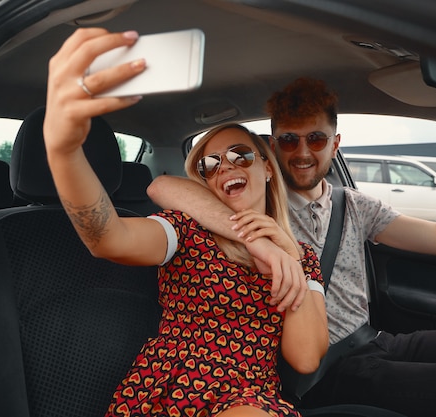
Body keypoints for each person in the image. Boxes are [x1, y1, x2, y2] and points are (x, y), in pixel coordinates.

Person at [148, 77, 436, 417]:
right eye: (289, 140)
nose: (303, 153)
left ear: (335, 144)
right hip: (326, 370)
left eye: (315, 139)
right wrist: (252, 235)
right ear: (273, 148)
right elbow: (165, 186)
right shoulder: (254, 197)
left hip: (376, 339)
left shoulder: (353, 204)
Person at [43, 29, 328, 417]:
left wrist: (288, 257)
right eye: (210, 165)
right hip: (173, 389)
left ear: (267, 167)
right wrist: (64, 151)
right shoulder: (186, 230)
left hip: (249, 398)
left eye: (240, 155)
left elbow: (306, 358)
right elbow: (108, 239)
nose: (225, 165)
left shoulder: (303, 257)